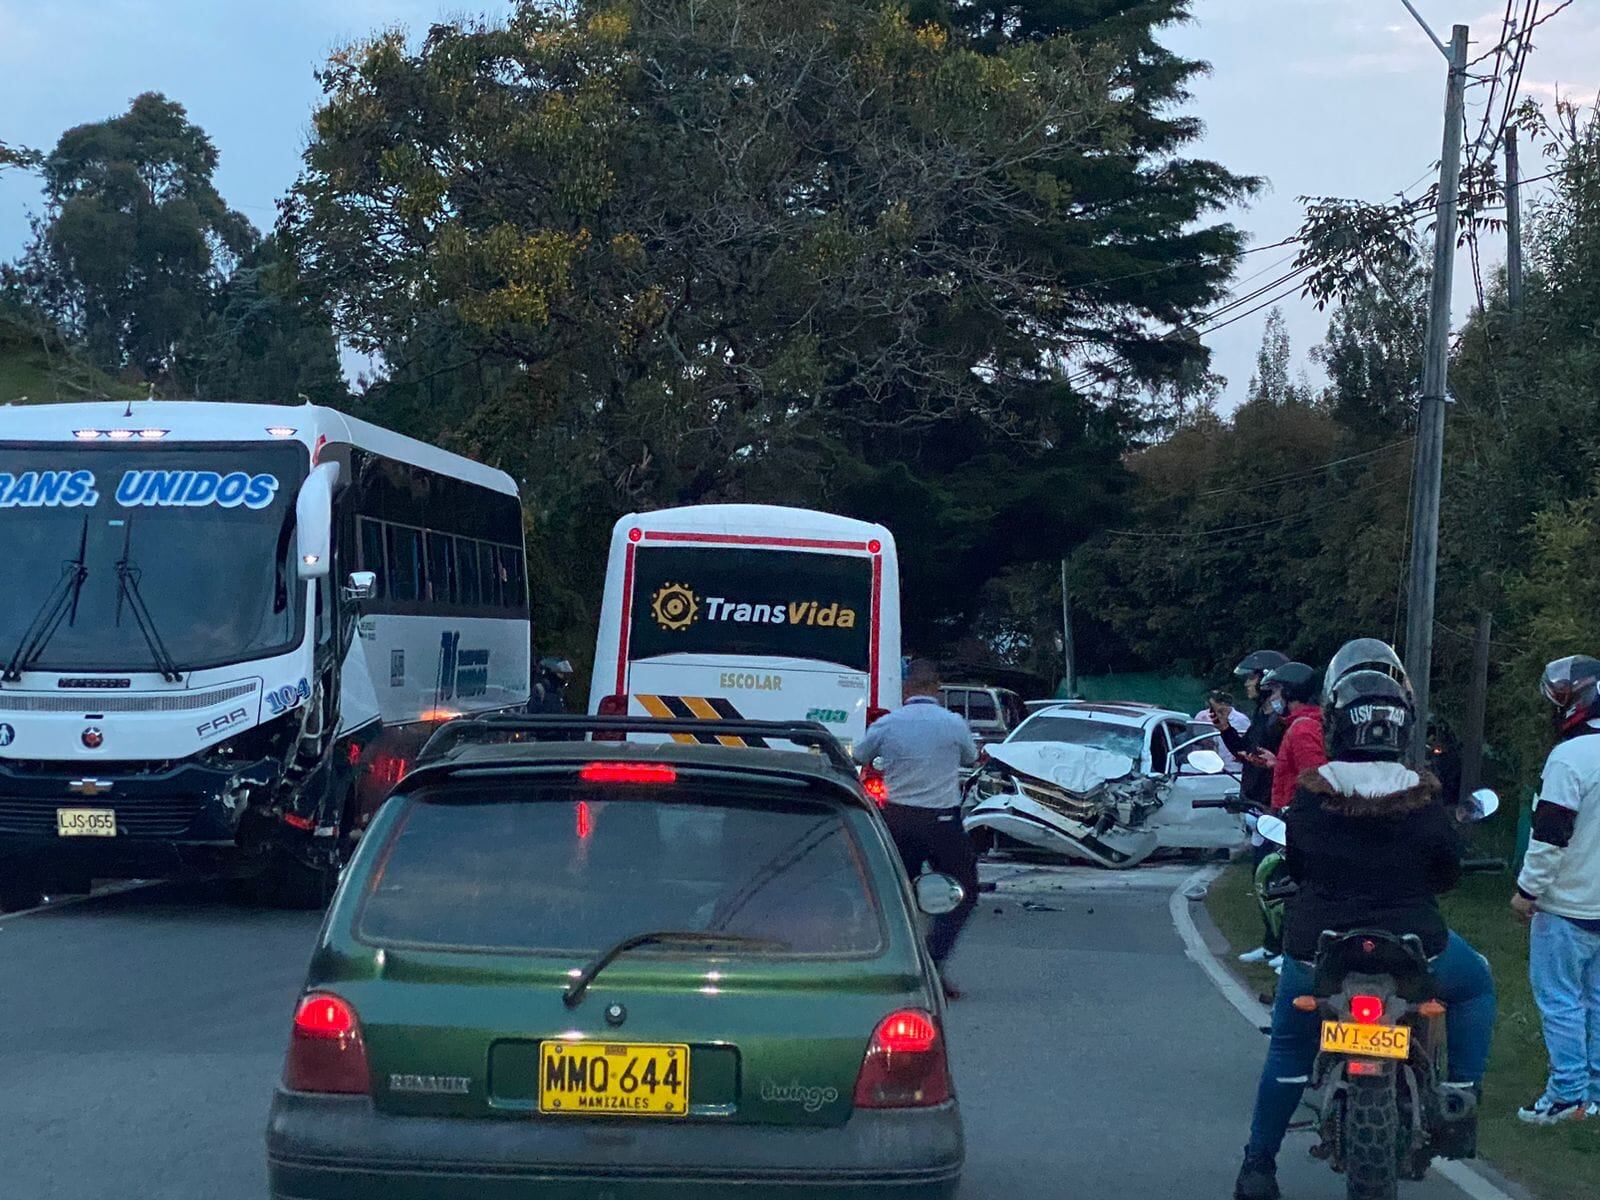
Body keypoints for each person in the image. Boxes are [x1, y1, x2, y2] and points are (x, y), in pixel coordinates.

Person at [1234, 640, 1498, 1200]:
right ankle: (1459, 1097)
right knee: (1475, 985)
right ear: (1402, 726)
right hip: (1413, 949)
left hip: (1319, 950)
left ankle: (1258, 1166)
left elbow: (1298, 866)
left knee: (1288, 1046)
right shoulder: (1423, 796)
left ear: (1335, 723)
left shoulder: (1312, 793)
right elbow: (1446, 871)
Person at [852, 659, 979, 996]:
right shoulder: (953, 723)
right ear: (936, 689)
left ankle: (888, 963)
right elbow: (969, 757)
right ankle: (934, 960)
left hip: (898, 818)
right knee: (964, 890)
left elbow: (861, 755)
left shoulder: (889, 724)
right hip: (941, 821)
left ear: (906, 690)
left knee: (892, 893)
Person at [1513, 655, 1600, 1124]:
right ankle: (1596, 1091)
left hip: (1568, 903)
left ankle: (1567, 1096)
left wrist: (1527, 890)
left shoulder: (1569, 757)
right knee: (1598, 1000)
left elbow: (1549, 836)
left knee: (1561, 1000)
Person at [1212, 651, 1288, 966]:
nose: (1247, 683)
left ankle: (1287, 949)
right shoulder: (1262, 713)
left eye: (1251, 677)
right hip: (1258, 807)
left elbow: (1274, 761)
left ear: (1268, 678)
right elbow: (1245, 751)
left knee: (1279, 881)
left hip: (1275, 809)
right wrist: (1224, 726)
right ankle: (1272, 945)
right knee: (1262, 879)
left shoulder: (1280, 719)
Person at [1255, 661, 1325, 811]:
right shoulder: (1304, 723)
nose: (1272, 698)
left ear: (1289, 692)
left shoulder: (1302, 729)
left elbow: (1313, 782)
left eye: (1275, 692)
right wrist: (1278, 763)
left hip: (1295, 817)